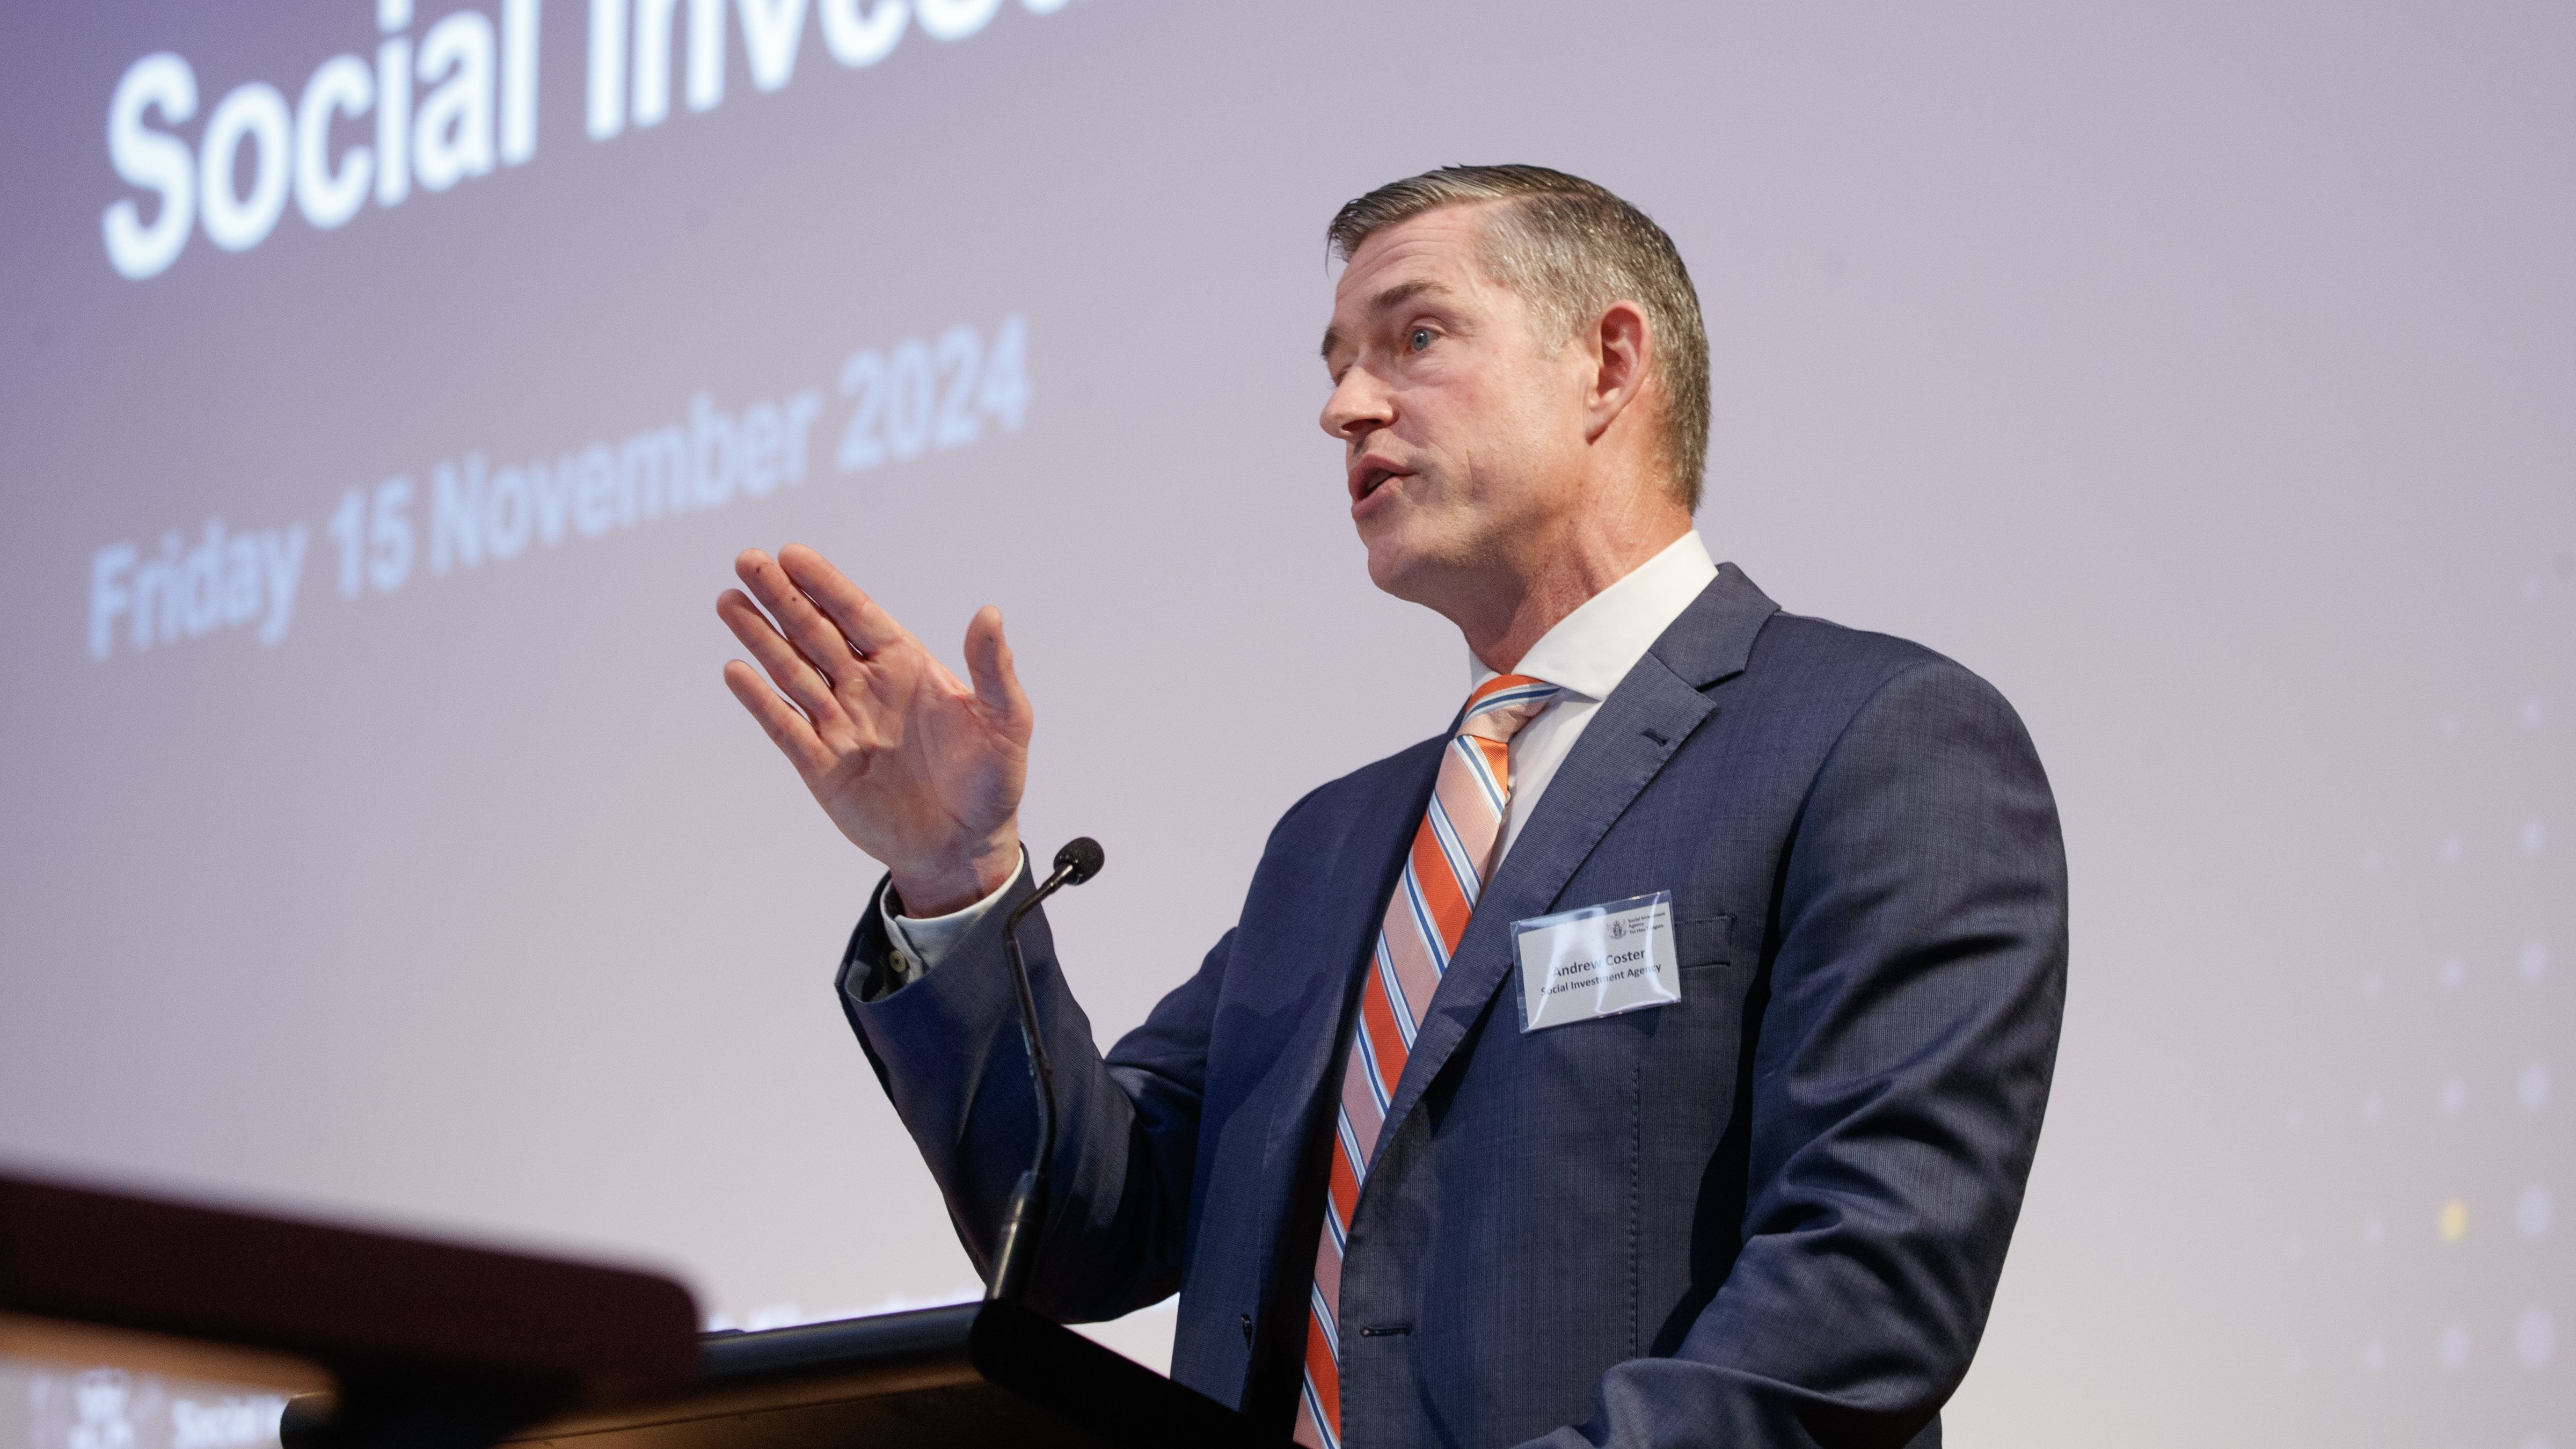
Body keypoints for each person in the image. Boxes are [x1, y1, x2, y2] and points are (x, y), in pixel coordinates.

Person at [715, 164, 2068, 1449]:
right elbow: (1086, 1226)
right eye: (1336, 365)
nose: (1345, 407)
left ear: (1609, 363)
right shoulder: (1336, 845)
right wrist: (960, 876)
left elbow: (1866, 1288)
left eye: (1414, 337)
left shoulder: (1874, 740)